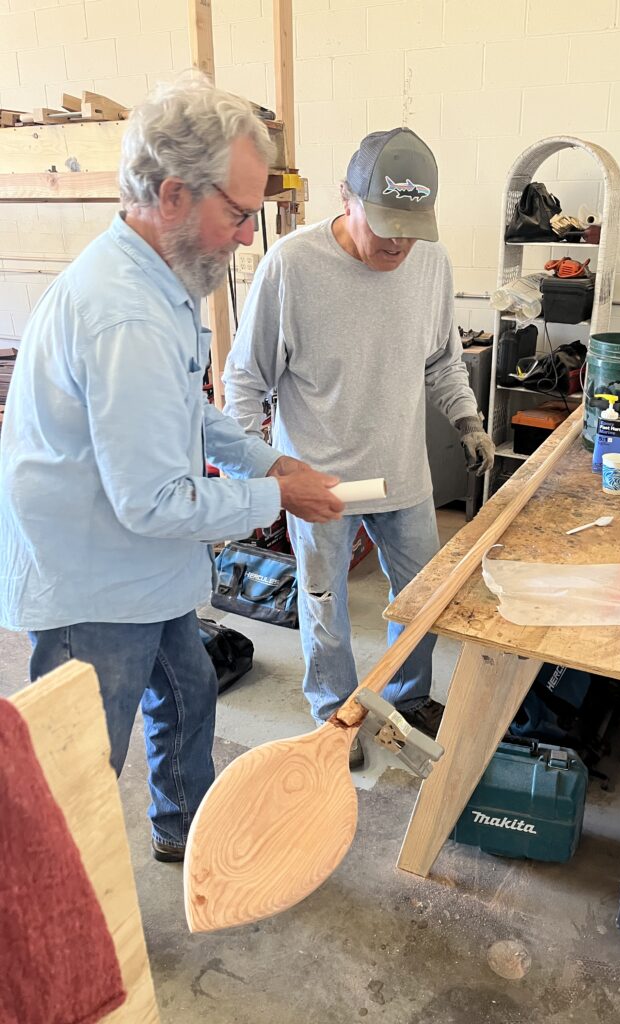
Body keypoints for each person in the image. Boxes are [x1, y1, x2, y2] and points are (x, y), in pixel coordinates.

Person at [0, 72, 343, 861]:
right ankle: (63, 931)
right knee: (75, 774)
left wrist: (267, 459)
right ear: (172, 194)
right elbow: (153, 501)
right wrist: (272, 497)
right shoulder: (125, 314)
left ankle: (181, 829)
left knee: (189, 694)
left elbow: (185, 412)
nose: (249, 237)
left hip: (137, 570)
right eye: (240, 213)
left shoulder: (160, 281)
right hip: (93, 580)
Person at [223, 127, 494, 769]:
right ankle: (334, 715)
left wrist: (468, 420)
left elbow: (442, 360)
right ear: (346, 198)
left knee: (422, 600)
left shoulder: (431, 262)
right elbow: (244, 381)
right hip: (321, 485)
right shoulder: (290, 266)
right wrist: (261, 474)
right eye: (385, 224)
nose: (399, 241)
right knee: (324, 607)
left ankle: (407, 696)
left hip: (402, 475)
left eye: (411, 226)